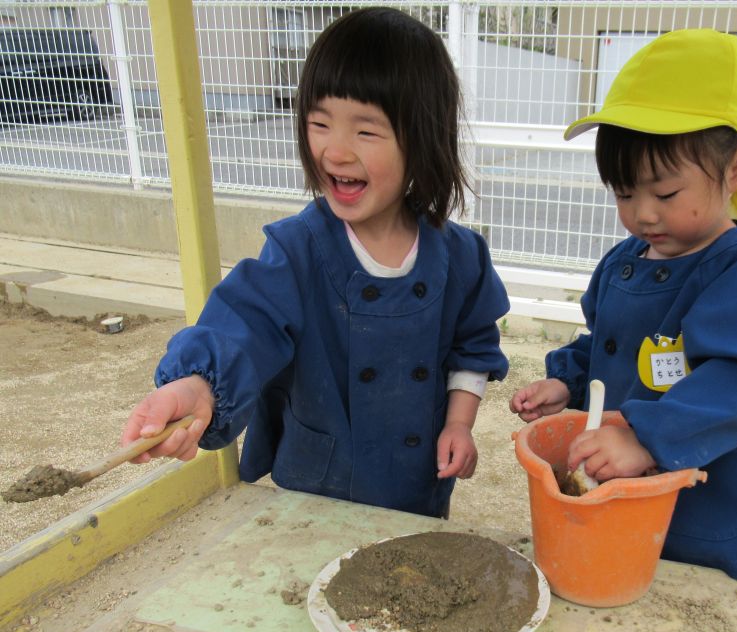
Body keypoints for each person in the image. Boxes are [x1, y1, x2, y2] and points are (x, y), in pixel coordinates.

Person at [121, 7, 509, 519]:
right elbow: (246, 322)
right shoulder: (298, 248)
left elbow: (471, 350)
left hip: (415, 489)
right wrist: (197, 384)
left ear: (423, 140)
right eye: (319, 123)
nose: (335, 151)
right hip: (315, 493)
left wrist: (459, 423)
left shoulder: (458, 256)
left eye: (366, 132)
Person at [510, 29, 737, 583]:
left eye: (665, 195)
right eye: (623, 192)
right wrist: (569, 379)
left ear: (736, 169)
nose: (643, 215)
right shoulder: (626, 259)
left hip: (708, 517)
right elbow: (612, 340)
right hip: (623, 501)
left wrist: (646, 438)